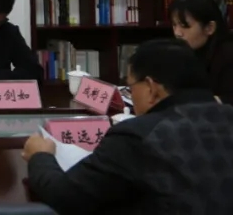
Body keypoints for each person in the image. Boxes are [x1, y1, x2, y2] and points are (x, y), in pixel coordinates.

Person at [23, 38, 233, 214]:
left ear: (151, 88)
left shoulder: (138, 136)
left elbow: (65, 196)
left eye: (131, 88)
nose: (131, 96)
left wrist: (40, 156)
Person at [169, 0, 233, 104]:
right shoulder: (180, 53)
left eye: (185, 26)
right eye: (174, 25)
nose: (177, 33)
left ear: (210, 28)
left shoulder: (228, 56)